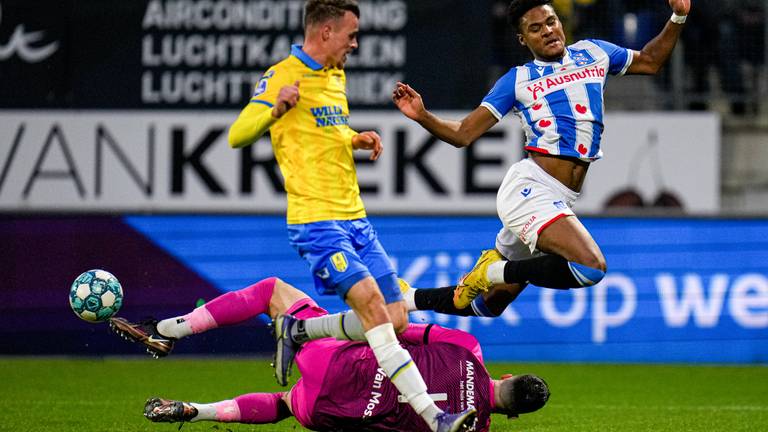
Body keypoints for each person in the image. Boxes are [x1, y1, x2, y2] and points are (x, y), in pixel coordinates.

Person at [226, 1, 472, 430]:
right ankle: (436, 419)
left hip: (355, 219)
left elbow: (327, 129)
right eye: (351, 34)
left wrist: (352, 138)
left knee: (395, 321)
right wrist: (274, 110)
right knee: (375, 309)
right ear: (325, 32)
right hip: (317, 221)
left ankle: (300, 332)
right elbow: (236, 135)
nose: (355, 44)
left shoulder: (335, 77)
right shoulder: (282, 76)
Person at [391, 0, 691, 318]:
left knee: (490, 304)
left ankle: (409, 299)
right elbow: (464, 133)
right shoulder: (517, 80)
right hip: (530, 189)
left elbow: (651, 61)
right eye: (535, 28)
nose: (547, 31)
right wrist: (422, 116)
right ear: (523, 40)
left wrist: (678, 16)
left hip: (561, 197)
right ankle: (489, 272)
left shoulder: (594, 52)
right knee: (591, 266)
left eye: (550, 22)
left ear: (560, 23)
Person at [109, 278, 550, 431]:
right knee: (286, 405)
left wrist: (323, 332)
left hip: (338, 361)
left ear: (507, 374)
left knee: (272, 292)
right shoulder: (471, 430)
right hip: (332, 413)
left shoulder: (468, 350)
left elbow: (390, 328)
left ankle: (166, 330)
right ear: (509, 416)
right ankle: (196, 411)